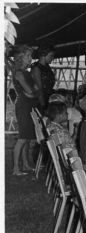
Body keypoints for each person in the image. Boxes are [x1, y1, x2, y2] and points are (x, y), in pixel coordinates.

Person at [11, 45, 41, 176]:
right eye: (28, 55)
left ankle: (26, 164)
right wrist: (34, 92)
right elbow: (31, 90)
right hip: (24, 106)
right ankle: (16, 168)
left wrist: (34, 92)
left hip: (29, 104)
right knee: (23, 137)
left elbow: (35, 89)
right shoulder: (18, 73)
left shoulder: (27, 72)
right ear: (21, 57)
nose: (31, 58)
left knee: (28, 137)